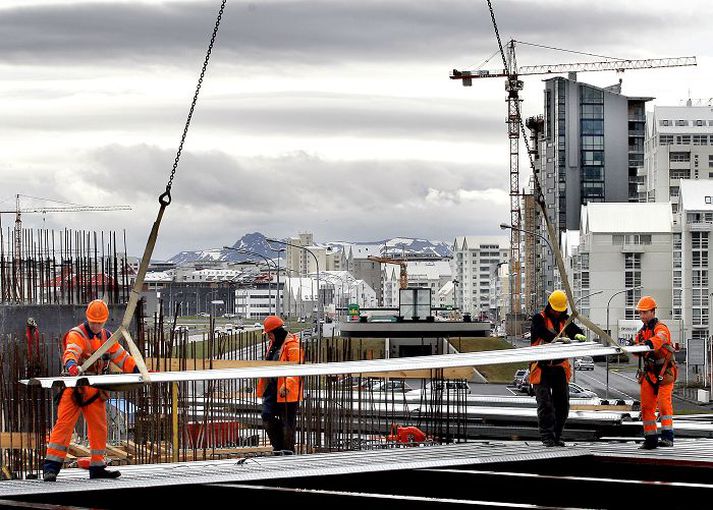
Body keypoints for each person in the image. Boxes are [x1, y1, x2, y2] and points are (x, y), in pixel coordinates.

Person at [43, 299, 140, 482]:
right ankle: (51, 468)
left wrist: (140, 370)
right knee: (63, 426)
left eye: (100, 323)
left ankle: (97, 467)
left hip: (94, 389)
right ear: (88, 319)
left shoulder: (107, 338)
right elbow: (71, 352)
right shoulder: (77, 334)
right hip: (75, 388)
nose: (96, 326)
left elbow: (123, 359)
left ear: (105, 321)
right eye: (93, 322)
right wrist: (71, 365)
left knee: (99, 428)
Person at [529, 290, 587, 447]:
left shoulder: (565, 319)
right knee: (545, 404)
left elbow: (576, 331)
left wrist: (578, 336)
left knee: (562, 404)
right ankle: (547, 437)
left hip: (559, 367)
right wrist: (558, 339)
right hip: (541, 367)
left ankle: (557, 435)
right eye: (556, 310)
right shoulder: (538, 319)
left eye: (560, 311)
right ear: (550, 306)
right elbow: (542, 332)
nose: (557, 313)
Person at [633, 296, 677, 449]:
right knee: (646, 407)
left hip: (664, 373)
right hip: (649, 374)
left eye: (645, 312)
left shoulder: (660, 327)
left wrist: (648, 344)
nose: (642, 316)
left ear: (652, 312)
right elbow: (637, 351)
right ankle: (650, 439)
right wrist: (635, 347)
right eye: (640, 313)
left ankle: (667, 437)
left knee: (664, 406)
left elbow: (660, 339)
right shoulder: (642, 332)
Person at [256, 315, 304, 454]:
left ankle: (288, 451)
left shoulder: (293, 345)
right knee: (266, 415)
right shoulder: (274, 345)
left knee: (288, 424)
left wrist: (287, 385)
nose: (268, 337)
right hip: (272, 389)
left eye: (269, 334)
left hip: (288, 392)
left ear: (275, 331)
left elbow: (296, 368)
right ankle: (278, 447)